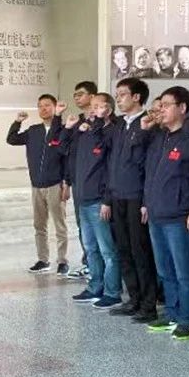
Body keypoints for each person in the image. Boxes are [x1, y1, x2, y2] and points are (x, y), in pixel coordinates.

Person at [143, 86, 189, 340]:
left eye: (167, 105)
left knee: (184, 271)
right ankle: (171, 312)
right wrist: (146, 203)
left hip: (179, 216)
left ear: (182, 108)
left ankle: (187, 318)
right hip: (156, 214)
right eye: (160, 105)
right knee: (165, 270)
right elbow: (149, 174)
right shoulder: (159, 138)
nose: (161, 109)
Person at [63, 93, 122, 310]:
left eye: (98, 106)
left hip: (99, 200)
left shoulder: (112, 132)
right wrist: (71, 129)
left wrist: (107, 199)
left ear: (108, 109)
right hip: (83, 199)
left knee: (107, 250)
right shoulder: (86, 132)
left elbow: (111, 169)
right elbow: (62, 148)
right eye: (92, 106)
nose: (92, 110)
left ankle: (112, 292)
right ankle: (95, 286)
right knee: (90, 248)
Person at [107, 78, 159, 321]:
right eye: (117, 95)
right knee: (124, 250)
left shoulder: (149, 124)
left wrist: (147, 200)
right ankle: (134, 298)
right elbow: (111, 163)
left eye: (122, 94)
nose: (118, 99)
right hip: (117, 195)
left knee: (141, 251)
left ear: (137, 97)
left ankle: (148, 305)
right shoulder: (119, 125)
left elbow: (150, 166)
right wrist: (108, 197)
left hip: (136, 196)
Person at [7, 95, 67, 275]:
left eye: (47, 105)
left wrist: (66, 183)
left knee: (60, 225)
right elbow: (12, 139)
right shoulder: (33, 131)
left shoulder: (63, 130)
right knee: (39, 225)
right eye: (40, 106)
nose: (43, 109)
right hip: (36, 185)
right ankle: (43, 260)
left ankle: (62, 261)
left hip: (55, 185)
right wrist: (17, 122)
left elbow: (66, 158)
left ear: (55, 107)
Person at [64, 81, 99, 279]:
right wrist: (67, 180)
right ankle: (88, 262)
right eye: (75, 95)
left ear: (92, 96)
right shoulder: (76, 122)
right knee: (82, 224)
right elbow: (64, 150)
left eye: (81, 94)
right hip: (78, 180)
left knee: (97, 227)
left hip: (95, 182)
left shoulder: (102, 122)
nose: (77, 98)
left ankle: (98, 266)